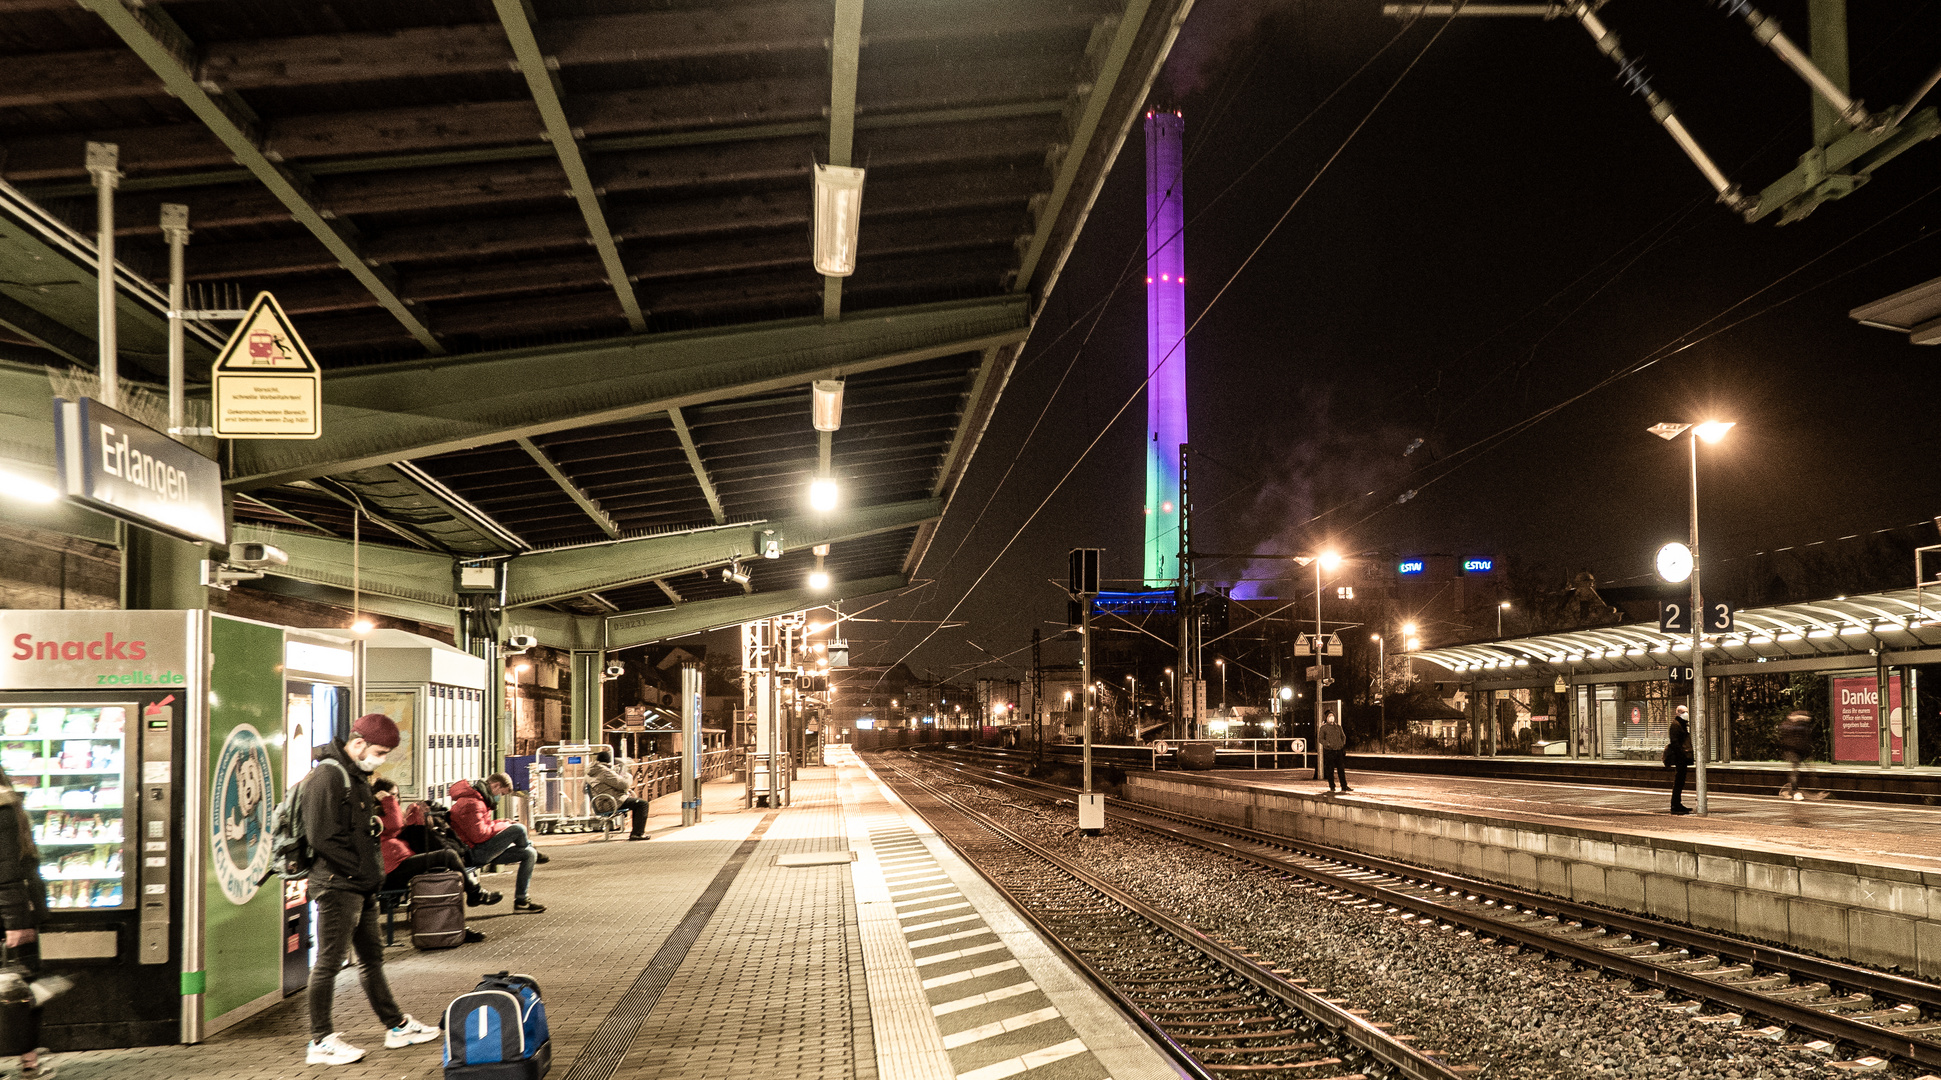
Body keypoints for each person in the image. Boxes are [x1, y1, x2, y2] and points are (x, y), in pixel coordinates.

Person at [303, 714, 442, 1066]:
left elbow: (351, 827)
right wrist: (356, 872)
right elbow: (320, 837)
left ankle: (396, 1026)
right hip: (337, 885)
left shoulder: (356, 776)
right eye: (380, 751)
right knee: (328, 963)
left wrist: (373, 826)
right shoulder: (328, 776)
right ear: (359, 743)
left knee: (371, 959)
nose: (381, 759)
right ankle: (320, 1041)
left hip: (360, 885)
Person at [0, 767, 68, 1080]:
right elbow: (13, 869)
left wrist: (15, 919)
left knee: (17, 990)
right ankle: (29, 1063)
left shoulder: (3, 809)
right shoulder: (7, 807)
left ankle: (29, 1062)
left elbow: (6, 871)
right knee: (21, 992)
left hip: (9, 915)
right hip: (13, 915)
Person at [372, 778, 497, 922]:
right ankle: (474, 893)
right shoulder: (376, 815)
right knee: (448, 856)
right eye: (391, 795)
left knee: (441, 870)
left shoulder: (388, 811)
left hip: (402, 863)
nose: (395, 799)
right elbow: (396, 824)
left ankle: (452, 924)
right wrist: (388, 800)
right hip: (393, 871)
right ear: (379, 795)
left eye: (396, 795)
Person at [448, 775, 546, 912]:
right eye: (501, 793)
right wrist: (504, 825)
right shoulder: (472, 803)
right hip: (473, 853)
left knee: (528, 854)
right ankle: (529, 845)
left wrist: (502, 823)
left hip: (479, 848)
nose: (499, 797)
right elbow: (479, 836)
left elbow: (484, 827)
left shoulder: (480, 801)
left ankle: (521, 901)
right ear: (495, 786)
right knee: (519, 829)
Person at [585, 756, 650, 840]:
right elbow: (623, 784)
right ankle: (637, 833)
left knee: (637, 803)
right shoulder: (604, 772)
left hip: (602, 802)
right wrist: (627, 775)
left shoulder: (591, 772)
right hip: (611, 802)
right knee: (642, 804)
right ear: (609, 762)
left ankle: (637, 832)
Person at [1775, 710, 1825, 801]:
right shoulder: (1791, 725)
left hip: (1802, 750)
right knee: (1795, 771)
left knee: (1809, 771)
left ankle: (1794, 791)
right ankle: (1794, 792)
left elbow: (1805, 739)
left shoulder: (1800, 726)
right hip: (1793, 751)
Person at [1665, 705, 1695, 815]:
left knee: (1680, 781)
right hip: (1680, 758)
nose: (1686, 714)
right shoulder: (1676, 725)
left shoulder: (1681, 725)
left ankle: (1677, 803)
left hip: (1682, 757)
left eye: (1686, 711)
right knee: (1679, 781)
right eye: (1683, 712)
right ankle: (1675, 804)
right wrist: (1682, 755)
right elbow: (1675, 742)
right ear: (1677, 713)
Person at [1318, 711, 1350, 793]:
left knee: (1341, 769)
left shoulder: (1338, 727)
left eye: (1332, 716)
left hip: (1338, 750)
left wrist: (1342, 744)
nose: (1331, 717)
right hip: (1329, 751)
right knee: (1330, 769)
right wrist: (1328, 744)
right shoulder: (1323, 728)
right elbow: (1320, 739)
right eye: (1329, 716)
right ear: (1326, 718)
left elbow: (1343, 737)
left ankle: (1344, 786)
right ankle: (1332, 786)